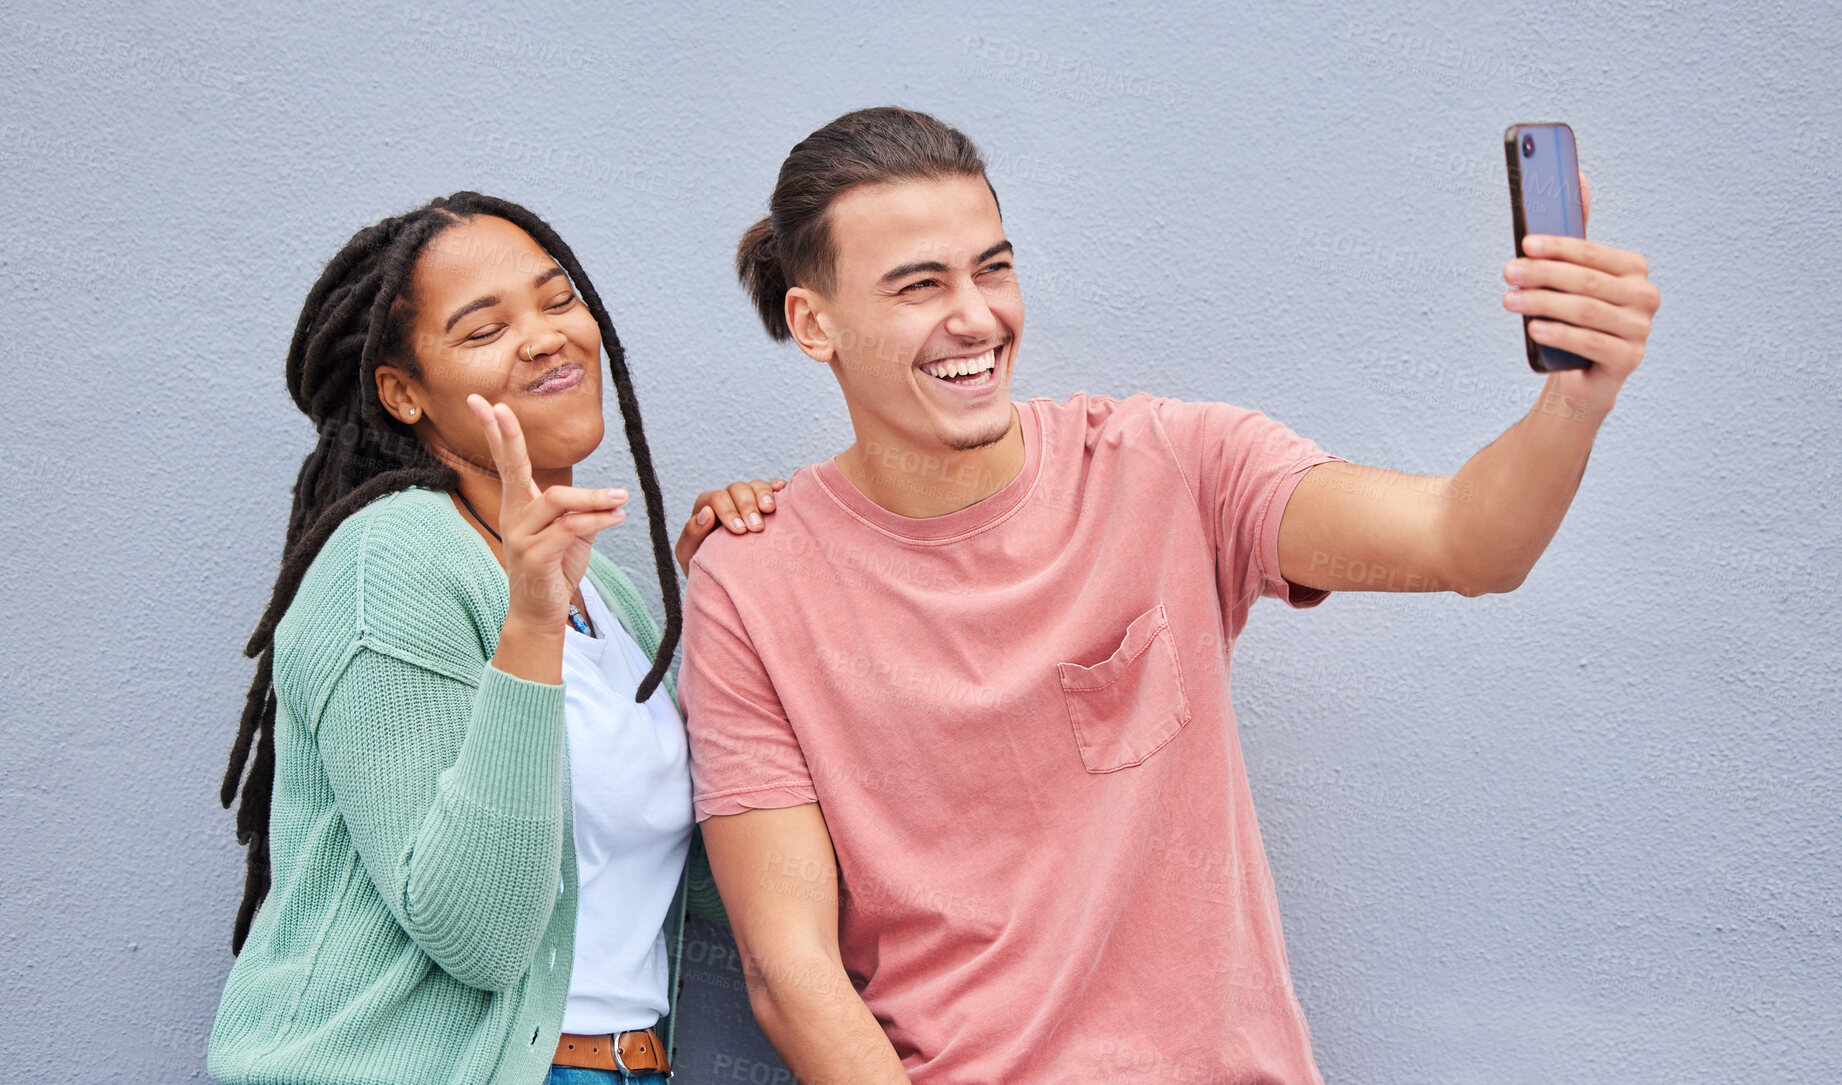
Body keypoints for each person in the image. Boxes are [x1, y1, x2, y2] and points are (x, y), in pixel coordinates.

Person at [678, 107, 1661, 1084]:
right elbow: (788, 969)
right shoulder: (755, 577)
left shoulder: (1172, 467)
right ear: (816, 323)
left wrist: (1576, 403)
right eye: (919, 285)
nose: (976, 315)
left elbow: (1465, 541)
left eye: (994, 267)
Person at [210, 192, 779, 1085]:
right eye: (484, 328)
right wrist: (532, 623)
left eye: (558, 301)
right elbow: (477, 933)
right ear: (403, 393)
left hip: (625, 1066)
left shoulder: (617, 597)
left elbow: (721, 884)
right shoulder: (391, 561)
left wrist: (735, 612)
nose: (547, 336)